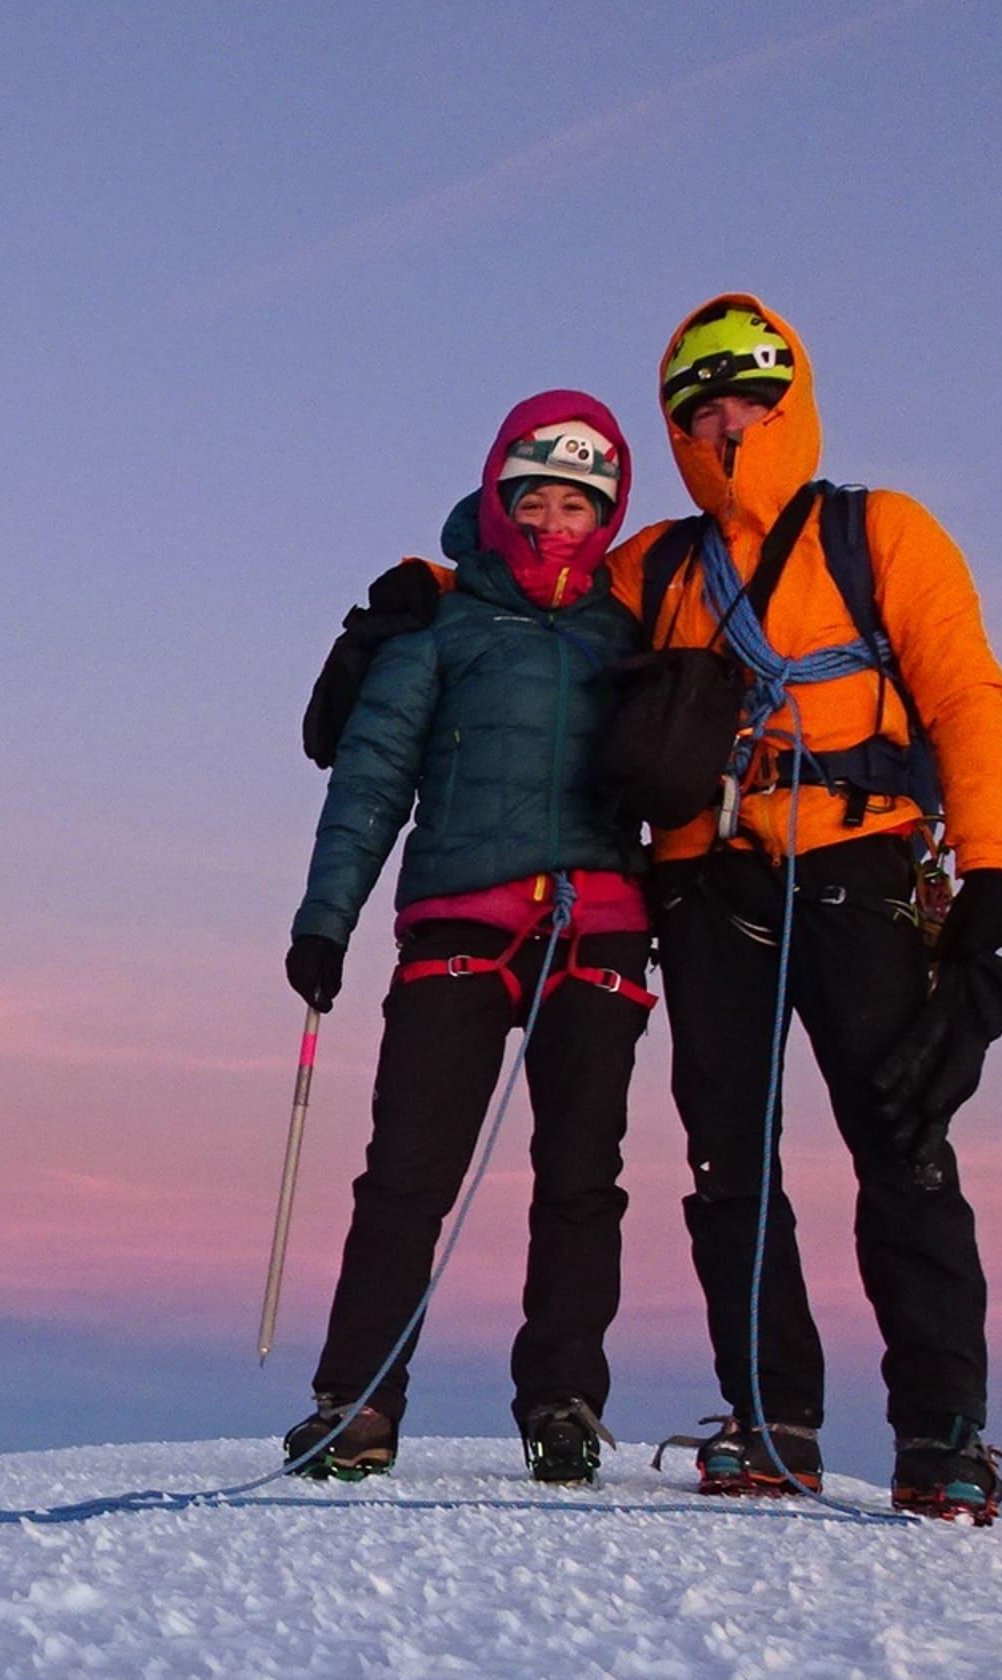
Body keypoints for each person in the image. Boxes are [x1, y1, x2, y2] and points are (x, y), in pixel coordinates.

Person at [609, 295, 1002, 1524]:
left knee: (905, 1144)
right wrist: (421, 588)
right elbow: (541, 590)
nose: (727, 427)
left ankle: (941, 1433)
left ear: (791, 405)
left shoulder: (881, 532)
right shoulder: (660, 565)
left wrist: (990, 868)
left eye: (748, 403)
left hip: (863, 872)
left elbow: (964, 693)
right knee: (725, 1157)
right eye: (704, 410)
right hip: (707, 887)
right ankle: (769, 1417)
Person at [281, 393, 651, 1485]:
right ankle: (357, 1401)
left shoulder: (628, 631)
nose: (554, 520)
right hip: (456, 923)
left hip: (602, 928)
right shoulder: (436, 624)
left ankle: (564, 1404)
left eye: (579, 504)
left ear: (609, 517)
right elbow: (371, 778)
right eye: (534, 495)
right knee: (406, 1173)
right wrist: (322, 922)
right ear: (496, 499)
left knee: (582, 1179)